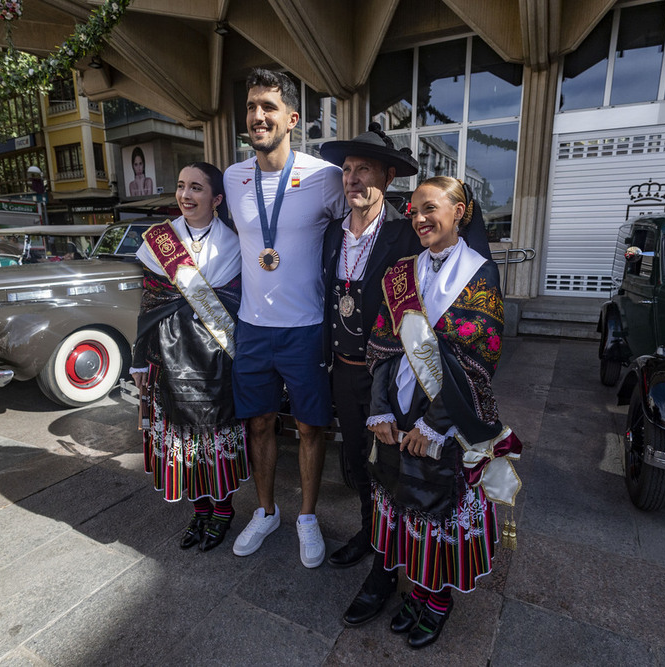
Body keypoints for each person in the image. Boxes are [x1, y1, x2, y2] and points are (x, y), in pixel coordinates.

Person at [361, 176, 521, 648]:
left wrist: (435, 424)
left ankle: (437, 599)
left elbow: (478, 362)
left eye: (430, 208)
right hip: (398, 412)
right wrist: (379, 410)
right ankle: (416, 590)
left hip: (446, 419)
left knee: (437, 506)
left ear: (459, 212)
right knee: (405, 501)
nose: (420, 218)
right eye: (413, 210)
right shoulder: (400, 273)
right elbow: (380, 347)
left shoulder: (481, 273)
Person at [223, 68, 345, 568]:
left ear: (292, 118)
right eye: (252, 107)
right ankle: (267, 510)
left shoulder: (323, 177)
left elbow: (356, 229)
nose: (258, 116)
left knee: (313, 427)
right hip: (252, 328)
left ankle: (308, 517)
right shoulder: (233, 178)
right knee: (258, 424)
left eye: (269, 107)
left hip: (306, 327)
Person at [317, 125, 423, 620]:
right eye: (347, 171)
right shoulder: (330, 234)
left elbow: (412, 322)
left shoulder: (405, 237)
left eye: (364, 170)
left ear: (388, 175)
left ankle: (385, 570)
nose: (353, 180)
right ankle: (369, 533)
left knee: (388, 471)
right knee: (357, 463)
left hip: (387, 376)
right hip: (342, 370)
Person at [129, 162, 249, 552]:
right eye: (181, 186)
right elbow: (149, 305)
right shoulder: (158, 243)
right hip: (166, 356)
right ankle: (200, 510)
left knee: (214, 435)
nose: (185, 195)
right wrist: (138, 359)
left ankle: (223, 510)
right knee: (183, 440)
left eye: (196, 188)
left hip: (216, 358)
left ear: (216, 199)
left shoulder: (236, 244)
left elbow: (237, 305)